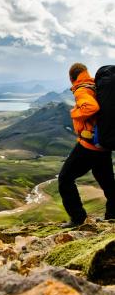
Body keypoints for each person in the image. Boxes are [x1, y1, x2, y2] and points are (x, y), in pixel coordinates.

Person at [58, 63, 115, 228]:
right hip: (102, 145)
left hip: (88, 146)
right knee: (108, 184)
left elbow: (91, 107)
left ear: (71, 78)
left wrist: (74, 112)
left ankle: (77, 218)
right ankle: (112, 217)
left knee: (65, 179)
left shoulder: (82, 89)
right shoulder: (95, 85)